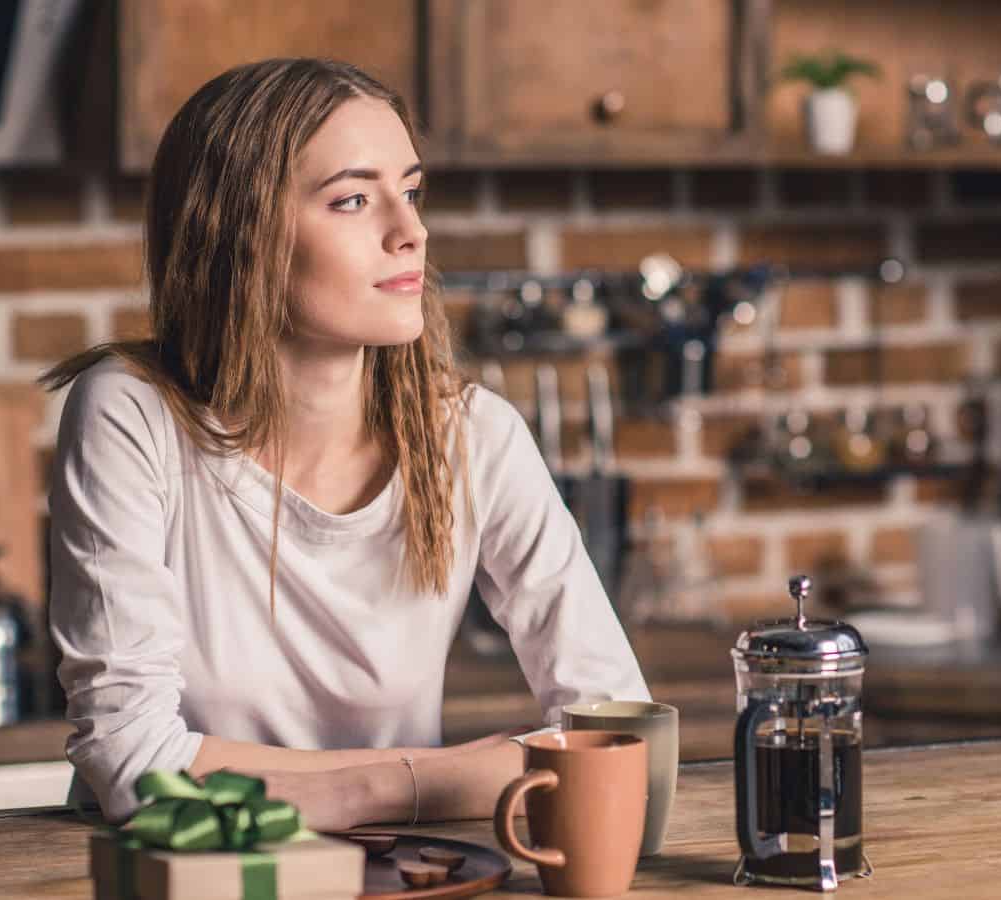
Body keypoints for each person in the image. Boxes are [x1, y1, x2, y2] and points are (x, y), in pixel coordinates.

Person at [42, 57, 649, 829]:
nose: (411, 232)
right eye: (354, 199)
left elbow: (617, 732)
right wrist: (411, 782)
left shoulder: (474, 435)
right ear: (240, 232)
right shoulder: (132, 415)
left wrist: (237, 769)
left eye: (412, 191)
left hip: (412, 874)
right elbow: (134, 766)